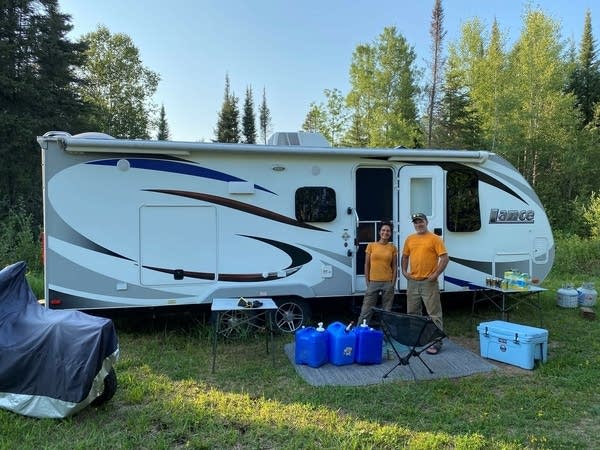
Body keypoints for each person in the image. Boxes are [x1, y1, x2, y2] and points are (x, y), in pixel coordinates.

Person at [401, 213, 449, 354]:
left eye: (421, 221)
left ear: (426, 222)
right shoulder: (410, 239)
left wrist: (435, 274)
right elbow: (405, 256)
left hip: (429, 282)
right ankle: (416, 339)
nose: (418, 224)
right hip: (413, 282)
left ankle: (436, 342)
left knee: (434, 313)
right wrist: (404, 272)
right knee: (413, 313)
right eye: (416, 222)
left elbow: (445, 258)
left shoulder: (435, 239)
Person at [357, 221, 398, 325]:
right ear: (379, 232)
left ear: (391, 233)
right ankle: (359, 332)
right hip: (373, 282)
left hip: (388, 283)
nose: (385, 232)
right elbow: (366, 265)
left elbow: (394, 266)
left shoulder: (393, 248)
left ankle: (385, 336)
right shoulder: (371, 246)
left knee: (386, 312)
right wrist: (367, 281)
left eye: (388, 231)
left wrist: (393, 283)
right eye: (383, 230)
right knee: (366, 311)